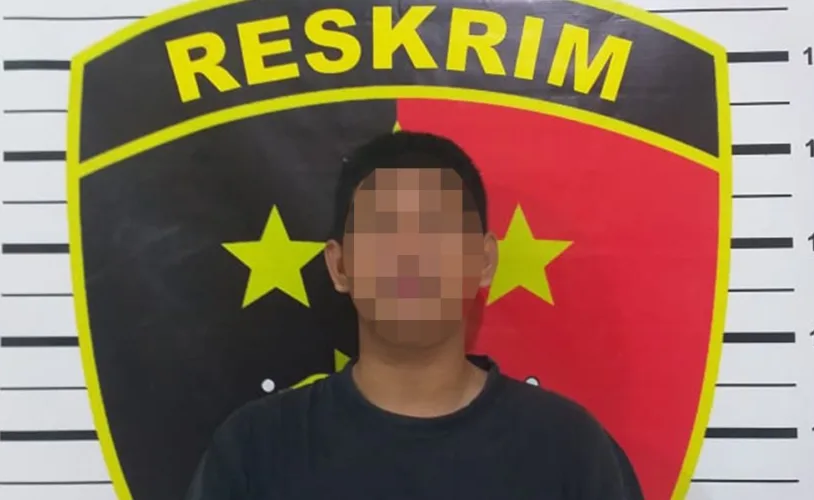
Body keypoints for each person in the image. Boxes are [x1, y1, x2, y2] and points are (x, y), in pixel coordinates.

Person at [185, 131, 641, 499]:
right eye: (384, 229)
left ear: (484, 261)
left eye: (435, 228)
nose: (409, 254)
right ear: (339, 266)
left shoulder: (571, 450)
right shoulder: (256, 448)